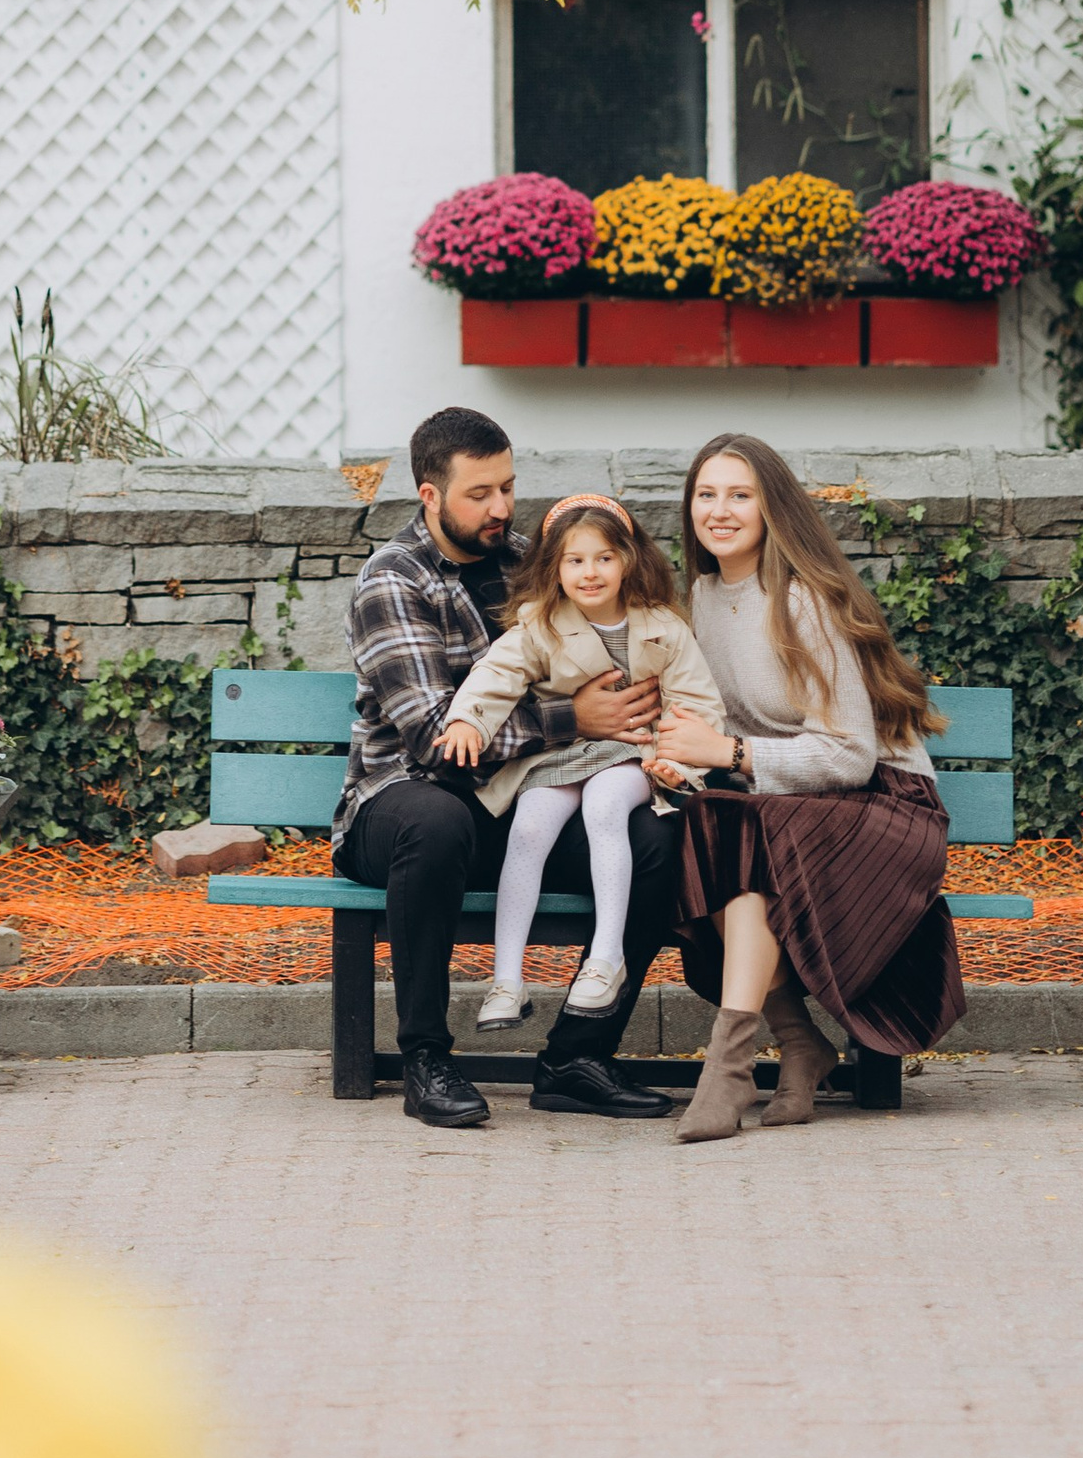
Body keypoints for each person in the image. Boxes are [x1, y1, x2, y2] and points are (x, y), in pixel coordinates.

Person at [335, 408, 687, 1129]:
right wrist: (575, 719)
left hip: (521, 794)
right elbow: (437, 740)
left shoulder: (532, 562)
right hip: (402, 801)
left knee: (654, 837)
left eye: (508, 487)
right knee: (435, 821)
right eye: (479, 494)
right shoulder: (392, 582)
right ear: (430, 495)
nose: (501, 508)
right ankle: (426, 1057)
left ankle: (577, 1059)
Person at [645, 431, 966, 1143]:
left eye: (740, 495)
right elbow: (715, 724)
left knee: (751, 830)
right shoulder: (701, 596)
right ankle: (798, 1042)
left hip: (884, 805)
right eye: (706, 494)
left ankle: (726, 1068)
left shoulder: (804, 601)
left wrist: (728, 752)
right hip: (787, 808)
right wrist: (681, 759)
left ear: (772, 508)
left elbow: (851, 755)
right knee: (714, 828)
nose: (719, 510)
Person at [438, 490, 726, 1027]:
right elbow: (496, 675)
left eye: (604, 557)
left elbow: (695, 704)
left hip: (636, 751)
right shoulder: (541, 624)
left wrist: (679, 765)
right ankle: (506, 980)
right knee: (530, 826)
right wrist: (467, 721)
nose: (589, 573)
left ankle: (606, 959)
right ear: (555, 567)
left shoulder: (663, 626)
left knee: (605, 805)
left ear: (628, 560)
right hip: (564, 752)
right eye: (574, 560)